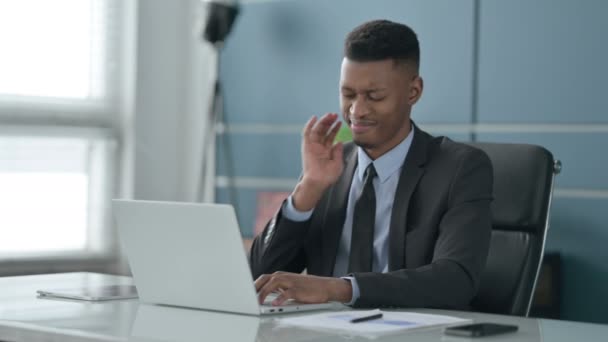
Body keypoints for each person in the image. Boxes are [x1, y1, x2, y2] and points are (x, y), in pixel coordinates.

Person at [250, 19, 493, 309]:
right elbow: (258, 275)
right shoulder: (329, 167)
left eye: (374, 96)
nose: (357, 111)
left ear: (413, 91)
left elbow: (456, 280)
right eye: (348, 94)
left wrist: (340, 289)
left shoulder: (460, 168)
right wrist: (308, 189)